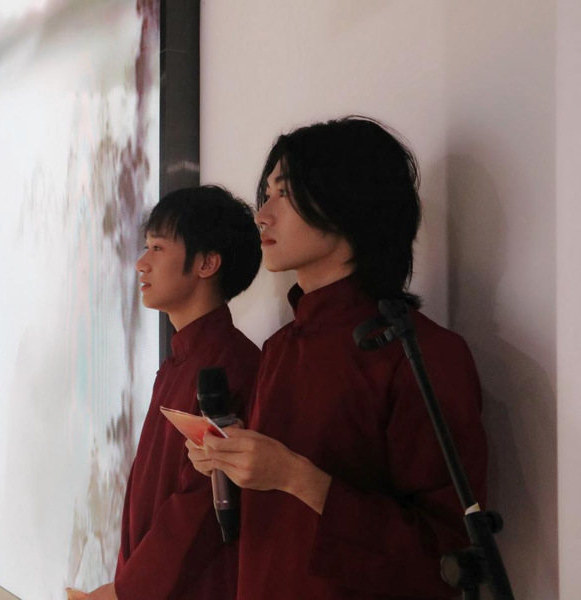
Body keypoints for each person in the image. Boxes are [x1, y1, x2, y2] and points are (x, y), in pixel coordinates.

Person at [187, 116, 488, 598]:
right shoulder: (279, 348)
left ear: (348, 201)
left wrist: (296, 477)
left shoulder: (421, 353)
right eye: (266, 194)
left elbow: (447, 553)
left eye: (284, 194)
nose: (262, 214)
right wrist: (235, 462)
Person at [85, 185, 262, 600]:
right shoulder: (180, 362)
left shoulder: (230, 365)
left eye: (157, 248)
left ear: (207, 263)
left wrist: (127, 590)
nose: (141, 263)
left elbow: (200, 508)